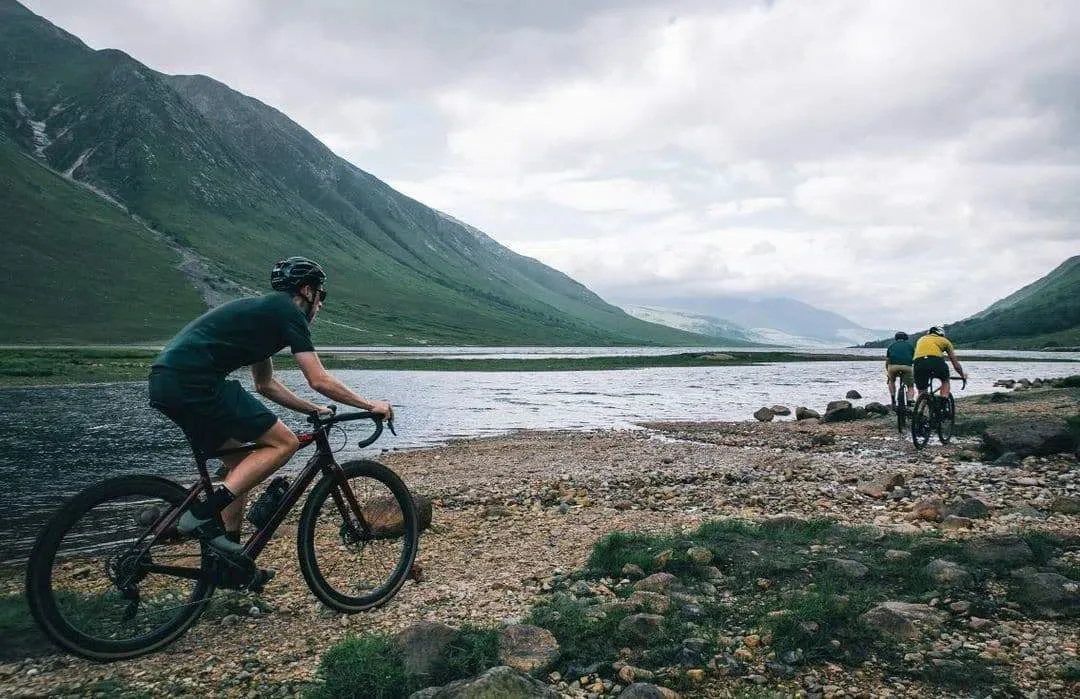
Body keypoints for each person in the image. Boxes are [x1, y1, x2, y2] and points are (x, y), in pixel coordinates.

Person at [148, 257, 393, 567]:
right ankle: (199, 515)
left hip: (166, 381)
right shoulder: (289, 313)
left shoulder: (267, 314)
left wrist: (313, 409)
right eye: (322, 296)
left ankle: (230, 564)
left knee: (241, 467)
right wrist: (371, 405)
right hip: (195, 382)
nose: (321, 305)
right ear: (307, 291)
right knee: (285, 443)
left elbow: (265, 385)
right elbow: (318, 378)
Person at [912, 325, 966, 402]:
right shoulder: (945, 341)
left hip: (919, 363)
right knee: (945, 381)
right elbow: (955, 363)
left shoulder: (921, 339)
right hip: (936, 362)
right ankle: (943, 401)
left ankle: (920, 408)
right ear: (942, 334)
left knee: (922, 390)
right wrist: (962, 376)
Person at [885, 331, 915, 407]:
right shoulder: (910, 346)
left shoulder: (891, 346)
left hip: (893, 367)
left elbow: (888, 360)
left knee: (891, 381)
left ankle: (893, 400)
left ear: (896, 338)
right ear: (905, 338)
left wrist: (888, 371)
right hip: (907, 367)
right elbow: (914, 359)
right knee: (910, 385)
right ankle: (909, 401)